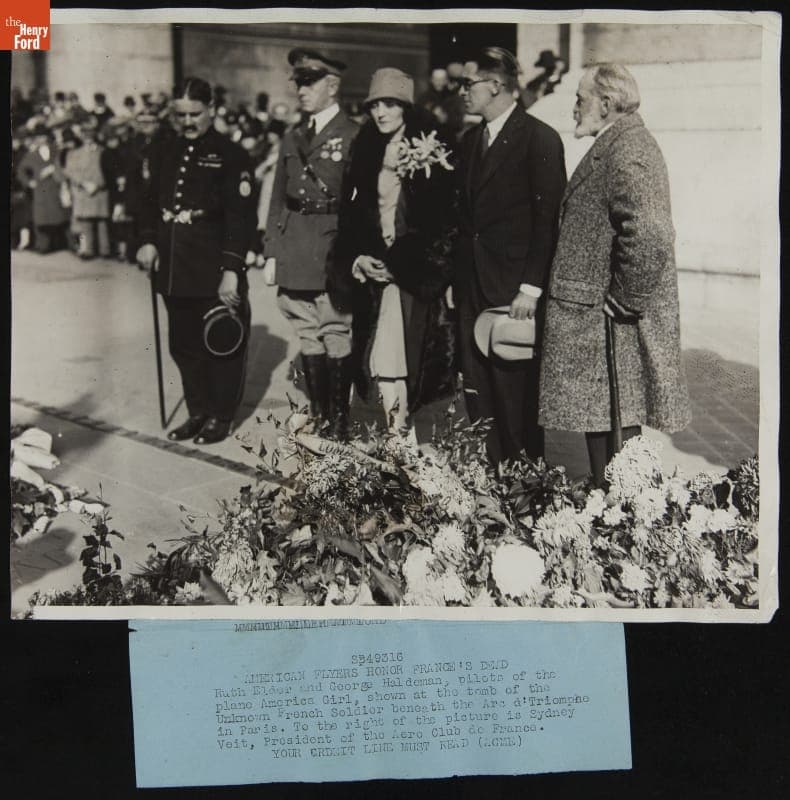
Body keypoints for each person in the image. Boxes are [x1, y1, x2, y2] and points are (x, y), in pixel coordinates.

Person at [539, 64, 692, 487]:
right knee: (605, 425)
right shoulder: (617, 143)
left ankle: (623, 522)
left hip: (611, 321)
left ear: (606, 104)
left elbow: (651, 232)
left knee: (617, 434)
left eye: (580, 98)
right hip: (597, 319)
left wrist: (626, 297)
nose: (574, 108)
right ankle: (614, 517)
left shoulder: (629, 148)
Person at [453, 47, 566, 466]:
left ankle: (526, 489)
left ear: (496, 85)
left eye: (469, 83)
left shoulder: (540, 139)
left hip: (514, 291)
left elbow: (547, 221)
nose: (461, 91)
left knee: (516, 396)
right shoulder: (469, 141)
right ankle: (492, 488)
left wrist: (531, 289)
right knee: (479, 395)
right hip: (472, 287)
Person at [333, 68, 457, 438]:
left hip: (411, 274)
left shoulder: (433, 146)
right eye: (375, 106)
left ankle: (399, 435)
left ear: (405, 106)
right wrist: (357, 257)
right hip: (374, 272)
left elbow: (446, 220)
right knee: (386, 355)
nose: (380, 113)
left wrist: (408, 264)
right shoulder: (365, 147)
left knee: (400, 354)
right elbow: (351, 215)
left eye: (390, 104)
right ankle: (399, 435)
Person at [136, 77, 255, 445]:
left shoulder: (232, 155)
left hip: (213, 267)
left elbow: (241, 217)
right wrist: (146, 242)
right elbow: (148, 202)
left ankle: (220, 416)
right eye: (180, 115)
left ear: (212, 110)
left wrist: (232, 270)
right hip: (174, 266)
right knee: (184, 344)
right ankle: (198, 411)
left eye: (195, 114)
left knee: (220, 341)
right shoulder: (162, 149)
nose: (187, 122)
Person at [263, 48, 359, 439]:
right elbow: (277, 196)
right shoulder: (293, 136)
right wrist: (271, 249)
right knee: (305, 330)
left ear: (332, 86)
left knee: (335, 328)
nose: (300, 89)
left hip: (331, 243)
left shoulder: (353, 134)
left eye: (309, 82)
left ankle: (339, 419)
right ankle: (320, 413)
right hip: (295, 243)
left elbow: (360, 201)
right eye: (298, 82)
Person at [16, 124, 70, 253]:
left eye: (44, 137)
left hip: (55, 188)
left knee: (62, 216)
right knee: (41, 219)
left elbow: (66, 166)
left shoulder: (56, 151)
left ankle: (68, 243)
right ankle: (43, 245)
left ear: (48, 138)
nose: (41, 140)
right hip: (40, 191)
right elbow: (20, 171)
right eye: (39, 137)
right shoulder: (32, 155)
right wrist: (30, 183)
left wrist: (55, 170)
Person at [63, 119, 111, 259]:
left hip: (100, 190)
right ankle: (88, 250)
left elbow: (108, 170)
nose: (88, 137)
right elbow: (70, 171)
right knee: (85, 223)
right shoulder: (74, 153)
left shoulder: (103, 151)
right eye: (85, 134)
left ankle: (105, 250)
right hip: (83, 191)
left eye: (90, 134)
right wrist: (84, 183)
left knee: (102, 223)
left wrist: (98, 184)